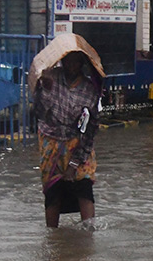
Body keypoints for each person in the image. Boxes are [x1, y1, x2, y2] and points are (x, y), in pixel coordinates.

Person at [29, 34, 105, 228]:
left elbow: (89, 131)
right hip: (51, 143)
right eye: (68, 60)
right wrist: (43, 89)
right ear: (62, 61)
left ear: (82, 63)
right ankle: (52, 237)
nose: (72, 65)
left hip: (77, 142)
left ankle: (88, 233)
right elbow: (38, 114)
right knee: (53, 192)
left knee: (84, 187)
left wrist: (73, 163)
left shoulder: (89, 90)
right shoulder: (50, 79)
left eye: (76, 61)